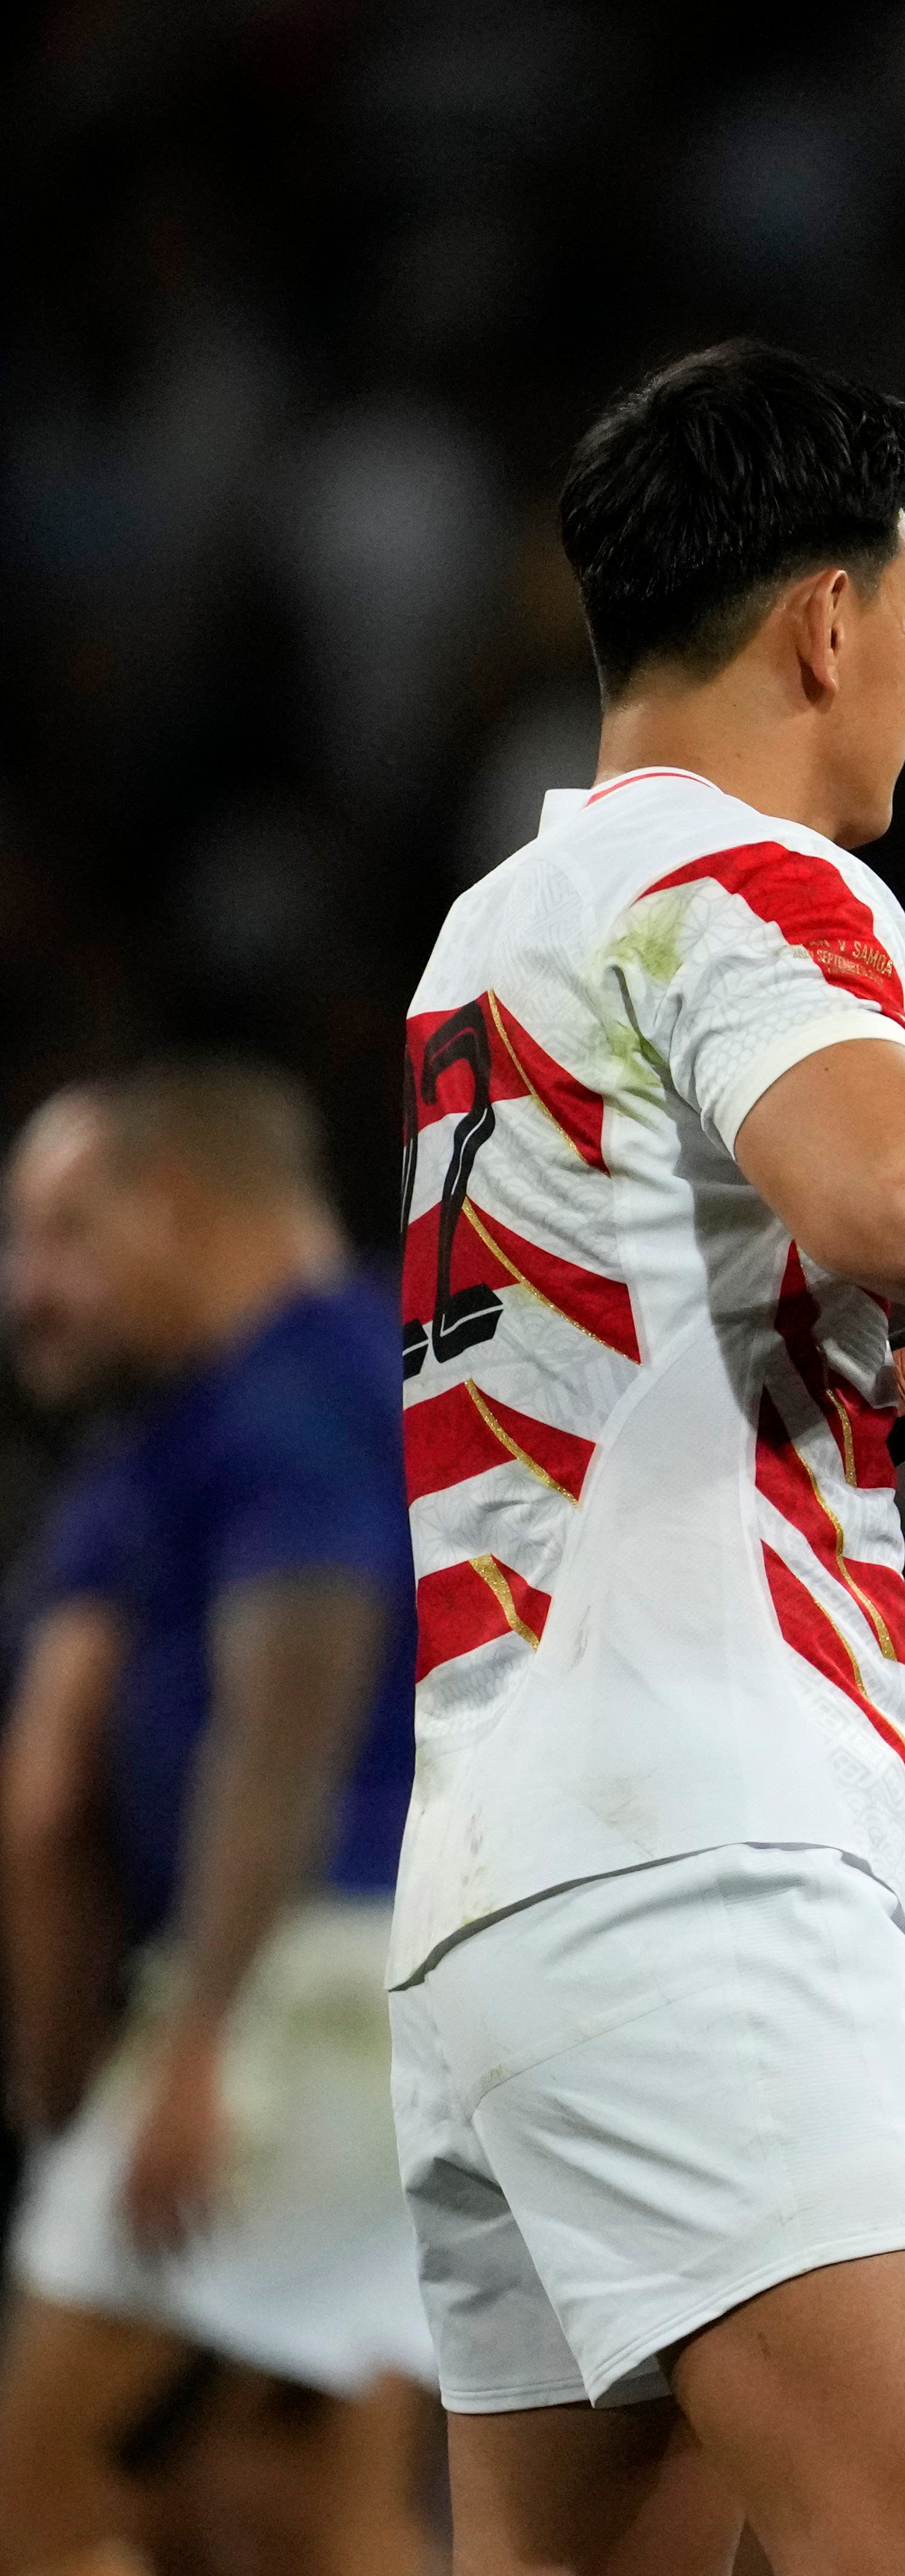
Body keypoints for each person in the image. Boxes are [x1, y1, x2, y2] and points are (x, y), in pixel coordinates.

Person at [391, 339, 905, 2576]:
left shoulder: (497, 933)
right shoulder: (752, 880)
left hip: (495, 1894)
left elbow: (587, 1395)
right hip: (697, 1863)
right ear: (827, 623)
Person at [0, 1065, 431, 2575]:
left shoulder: (274, 1398)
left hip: (293, 1997)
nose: (28, 1288)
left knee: (33, 2514)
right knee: (312, 2520)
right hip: (442, 1979)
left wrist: (164, 2048)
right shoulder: (417, 1362)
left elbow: (276, 1715)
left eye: (59, 1233)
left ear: (170, 1204)